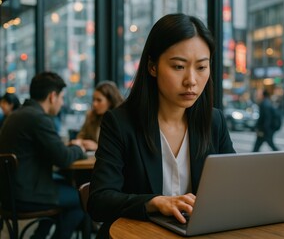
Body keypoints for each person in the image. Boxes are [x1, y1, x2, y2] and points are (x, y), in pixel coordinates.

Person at [87, 13, 235, 238]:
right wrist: (154, 203)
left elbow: (233, 187)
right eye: (178, 67)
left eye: (201, 67)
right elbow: (99, 201)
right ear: (152, 67)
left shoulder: (213, 122)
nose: (191, 80)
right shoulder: (120, 123)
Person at [0, 71, 87, 239]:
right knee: (83, 198)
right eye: (61, 98)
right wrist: (79, 149)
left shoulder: (17, 116)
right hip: (27, 194)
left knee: (65, 185)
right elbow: (63, 158)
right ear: (52, 96)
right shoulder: (38, 118)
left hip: (10, 193)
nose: (62, 103)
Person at [77, 81, 124, 151]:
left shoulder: (121, 120)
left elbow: (122, 148)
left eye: (99, 100)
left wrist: (97, 147)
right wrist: (81, 142)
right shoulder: (91, 116)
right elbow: (80, 136)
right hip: (91, 159)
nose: (94, 104)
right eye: (93, 100)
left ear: (110, 101)